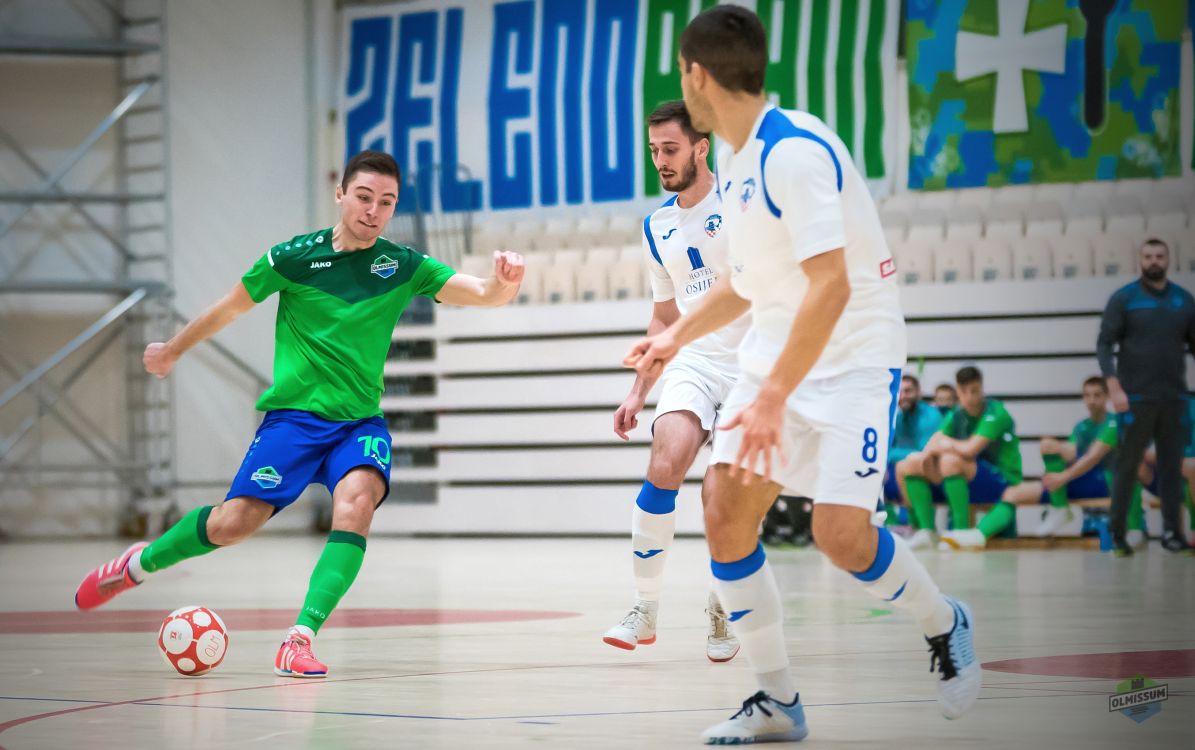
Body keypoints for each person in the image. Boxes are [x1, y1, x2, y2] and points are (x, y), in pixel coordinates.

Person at [625, 7, 979, 742]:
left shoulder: (793, 152)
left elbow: (831, 285)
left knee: (840, 537)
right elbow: (748, 282)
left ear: (697, 76)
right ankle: (777, 699)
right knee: (724, 508)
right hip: (778, 347)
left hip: (853, 359)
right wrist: (673, 339)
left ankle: (944, 621)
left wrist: (772, 396)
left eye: (682, 74)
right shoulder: (737, 162)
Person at [74, 151, 526, 677]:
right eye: (364, 197)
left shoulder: (402, 265)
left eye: (386, 202)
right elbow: (230, 307)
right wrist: (173, 349)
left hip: (359, 423)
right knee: (233, 524)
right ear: (340, 194)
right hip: (294, 420)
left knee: (357, 504)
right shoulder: (292, 258)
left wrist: (505, 282)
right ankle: (136, 565)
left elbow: (483, 294)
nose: (373, 211)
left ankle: (299, 639)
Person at [604, 100, 747, 662]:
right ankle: (644, 609)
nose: (661, 160)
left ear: (700, 147)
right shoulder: (656, 225)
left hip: (752, 364)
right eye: (654, 150)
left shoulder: (738, 203)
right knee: (665, 462)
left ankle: (724, 602)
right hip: (695, 361)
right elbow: (664, 317)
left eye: (670, 149)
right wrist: (638, 390)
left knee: (721, 494)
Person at [1097, 237, 1195, 555]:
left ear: (1169, 260)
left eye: (1160, 256)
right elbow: (1104, 344)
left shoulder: (1184, 300)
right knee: (1127, 467)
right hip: (1134, 400)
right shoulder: (1124, 299)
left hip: (1174, 399)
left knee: (1171, 468)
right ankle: (1118, 534)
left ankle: (1172, 534)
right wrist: (1114, 387)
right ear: (1140, 260)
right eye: (1148, 256)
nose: (1154, 261)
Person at [897, 366, 1022, 549]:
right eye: (964, 391)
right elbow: (933, 444)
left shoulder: (995, 412)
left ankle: (960, 531)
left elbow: (971, 449)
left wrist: (946, 444)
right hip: (972, 474)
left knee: (950, 461)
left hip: (1002, 479)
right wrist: (928, 458)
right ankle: (926, 531)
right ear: (958, 391)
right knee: (911, 463)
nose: (969, 397)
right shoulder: (956, 414)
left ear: (982, 388)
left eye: (974, 391)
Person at [1036, 377, 1117, 536]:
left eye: (1097, 395)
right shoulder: (1081, 426)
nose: (1091, 400)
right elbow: (1071, 455)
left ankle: (1059, 508)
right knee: (1048, 445)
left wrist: (1061, 477)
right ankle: (1059, 508)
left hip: (1108, 481)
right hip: (1085, 479)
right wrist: (1053, 453)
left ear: (1107, 397)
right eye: (1087, 395)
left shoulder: (1113, 423)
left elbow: (1092, 458)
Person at [884, 374, 944, 543]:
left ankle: (925, 528)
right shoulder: (898, 418)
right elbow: (886, 452)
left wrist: (896, 454)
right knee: (875, 472)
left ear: (919, 392)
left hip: (935, 471)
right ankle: (892, 525)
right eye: (900, 392)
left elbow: (924, 452)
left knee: (909, 464)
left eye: (908, 391)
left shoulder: (931, 416)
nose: (903, 396)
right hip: (904, 472)